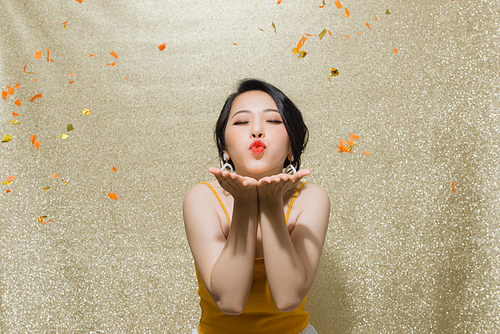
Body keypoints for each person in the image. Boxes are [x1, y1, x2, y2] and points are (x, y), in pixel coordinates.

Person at [183, 79, 330, 334]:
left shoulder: (311, 198)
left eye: (273, 121)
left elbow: (287, 299)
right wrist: (246, 203)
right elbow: (229, 302)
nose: (257, 131)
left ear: (291, 149)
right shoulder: (201, 198)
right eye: (241, 122)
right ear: (224, 149)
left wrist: (271, 204)